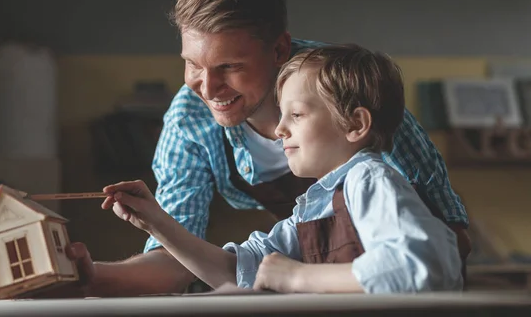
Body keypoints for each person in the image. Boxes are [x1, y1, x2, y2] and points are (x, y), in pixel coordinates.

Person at [64, 0, 470, 297]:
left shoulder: (347, 96)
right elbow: (233, 268)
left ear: (278, 49)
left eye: (229, 67)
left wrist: (300, 278)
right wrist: (101, 266)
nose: (206, 88)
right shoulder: (309, 202)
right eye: (192, 64)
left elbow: (440, 245)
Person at [103, 45, 463, 293]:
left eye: (297, 115)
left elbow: (419, 268)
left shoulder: (369, 180)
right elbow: (237, 270)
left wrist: (299, 277)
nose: (279, 130)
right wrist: (155, 221)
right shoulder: (319, 203)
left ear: (355, 124)